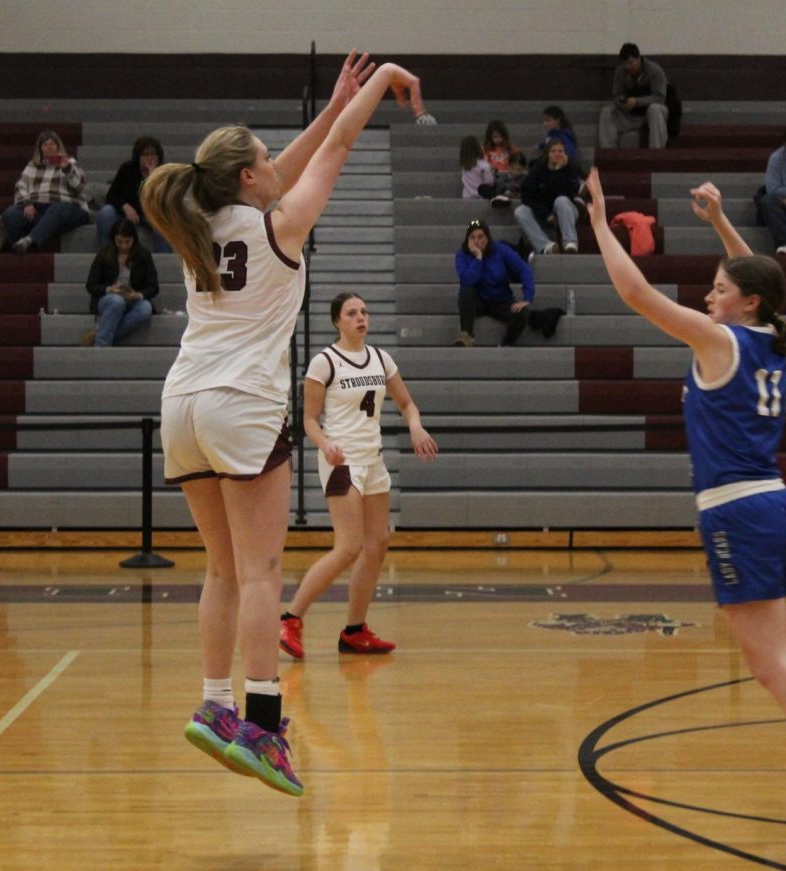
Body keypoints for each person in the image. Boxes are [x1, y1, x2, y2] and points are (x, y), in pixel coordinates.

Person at [140, 50, 424, 797]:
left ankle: (215, 703)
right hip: (241, 402)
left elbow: (295, 161)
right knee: (264, 569)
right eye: (265, 157)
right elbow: (331, 155)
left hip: (183, 404)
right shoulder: (279, 228)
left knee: (223, 569)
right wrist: (385, 77)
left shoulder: (198, 228)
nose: (276, 163)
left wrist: (333, 103)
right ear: (246, 178)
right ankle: (264, 725)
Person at [584, 167, 786, 861]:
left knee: (768, 664)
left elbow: (635, 292)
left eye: (719, 289)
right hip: (776, 503)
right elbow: (758, 280)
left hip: (738, 513)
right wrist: (721, 221)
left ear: (744, 302)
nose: (707, 293)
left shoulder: (720, 342)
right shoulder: (772, 336)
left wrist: (600, 222)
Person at [279, 292, 438, 660]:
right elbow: (308, 420)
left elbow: (406, 403)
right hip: (342, 460)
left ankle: (354, 630)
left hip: (373, 460)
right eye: (352, 313)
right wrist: (325, 444)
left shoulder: (381, 358)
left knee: (378, 543)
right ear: (338, 321)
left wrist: (415, 426)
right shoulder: (325, 362)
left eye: (364, 311)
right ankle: (290, 618)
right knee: (349, 546)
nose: (361, 318)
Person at [453, 219, 562, 347]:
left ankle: (507, 343)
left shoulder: (500, 249)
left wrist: (527, 297)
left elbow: (524, 269)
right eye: (472, 238)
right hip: (477, 301)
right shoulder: (462, 255)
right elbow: (467, 280)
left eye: (480, 236)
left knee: (522, 313)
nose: (476, 241)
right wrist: (478, 258)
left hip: (500, 300)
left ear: (488, 238)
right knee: (466, 292)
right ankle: (466, 336)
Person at [1, 130, 91, 254]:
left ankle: (29, 240)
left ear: (58, 146)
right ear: (40, 149)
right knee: (10, 214)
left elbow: (80, 186)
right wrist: (27, 203)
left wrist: (67, 169)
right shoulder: (32, 165)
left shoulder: (70, 162)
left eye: (52, 144)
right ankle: (20, 252)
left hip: (66, 207)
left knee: (57, 209)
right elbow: (20, 185)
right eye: (45, 145)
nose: (49, 147)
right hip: (38, 208)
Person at [82, 219, 159, 347]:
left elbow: (153, 287)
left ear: (133, 239)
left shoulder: (143, 255)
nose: (123, 246)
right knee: (117, 301)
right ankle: (101, 344)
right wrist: (109, 289)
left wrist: (138, 294)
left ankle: (100, 334)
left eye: (127, 242)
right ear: (114, 239)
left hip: (133, 298)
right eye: (119, 242)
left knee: (145, 309)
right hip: (107, 299)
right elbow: (91, 285)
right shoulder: (104, 254)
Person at [97, 135, 171, 252]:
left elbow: (163, 201)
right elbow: (112, 195)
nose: (149, 158)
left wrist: (151, 177)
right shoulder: (127, 169)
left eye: (153, 154)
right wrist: (125, 206)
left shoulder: (163, 173)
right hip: (126, 212)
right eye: (145, 154)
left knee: (162, 224)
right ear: (138, 156)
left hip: (152, 214)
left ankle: (163, 261)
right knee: (106, 213)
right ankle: (108, 255)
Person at [515, 140, 581, 257]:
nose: (557, 154)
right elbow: (526, 195)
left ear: (565, 153)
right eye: (553, 151)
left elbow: (568, 192)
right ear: (547, 154)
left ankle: (570, 243)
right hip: (543, 213)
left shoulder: (571, 168)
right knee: (520, 211)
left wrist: (558, 170)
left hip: (566, 210)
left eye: (561, 151)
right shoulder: (538, 169)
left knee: (561, 200)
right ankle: (546, 246)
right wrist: (546, 214)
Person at [597, 42, 669, 150]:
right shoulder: (620, 72)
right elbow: (616, 95)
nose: (628, 67)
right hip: (630, 114)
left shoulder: (655, 71)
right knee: (607, 112)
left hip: (652, 114)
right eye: (625, 63)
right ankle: (609, 153)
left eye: (631, 62)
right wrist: (622, 102)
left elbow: (660, 98)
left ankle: (656, 154)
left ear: (639, 58)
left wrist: (637, 102)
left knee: (655, 109)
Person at [459, 135, 494, 200]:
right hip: (480, 196)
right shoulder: (483, 165)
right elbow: (490, 181)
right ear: (478, 148)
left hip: (467, 196)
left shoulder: (464, 166)